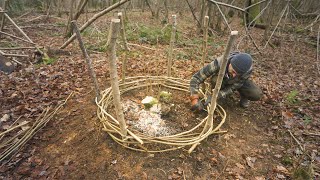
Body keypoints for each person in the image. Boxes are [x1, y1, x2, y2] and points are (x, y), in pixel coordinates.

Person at [189, 52, 262, 111]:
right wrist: (194, 98)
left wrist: (217, 96)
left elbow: (233, 87)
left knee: (256, 94)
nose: (234, 75)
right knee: (215, 80)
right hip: (222, 79)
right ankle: (218, 92)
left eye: (237, 74)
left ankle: (244, 97)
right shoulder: (220, 62)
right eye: (233, 71)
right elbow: (196, 78)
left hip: (238, 82)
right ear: (230, 63)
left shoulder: (246, 71)